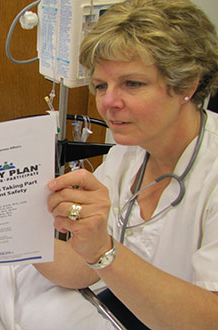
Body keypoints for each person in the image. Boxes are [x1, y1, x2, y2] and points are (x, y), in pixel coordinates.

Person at [36, 0, 218, 329]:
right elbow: (84, 269)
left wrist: (104, 251)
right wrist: (9, 238)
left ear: (187, 85)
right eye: (101, 86)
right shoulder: (128, 152)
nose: (108, 102)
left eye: (132, 84)